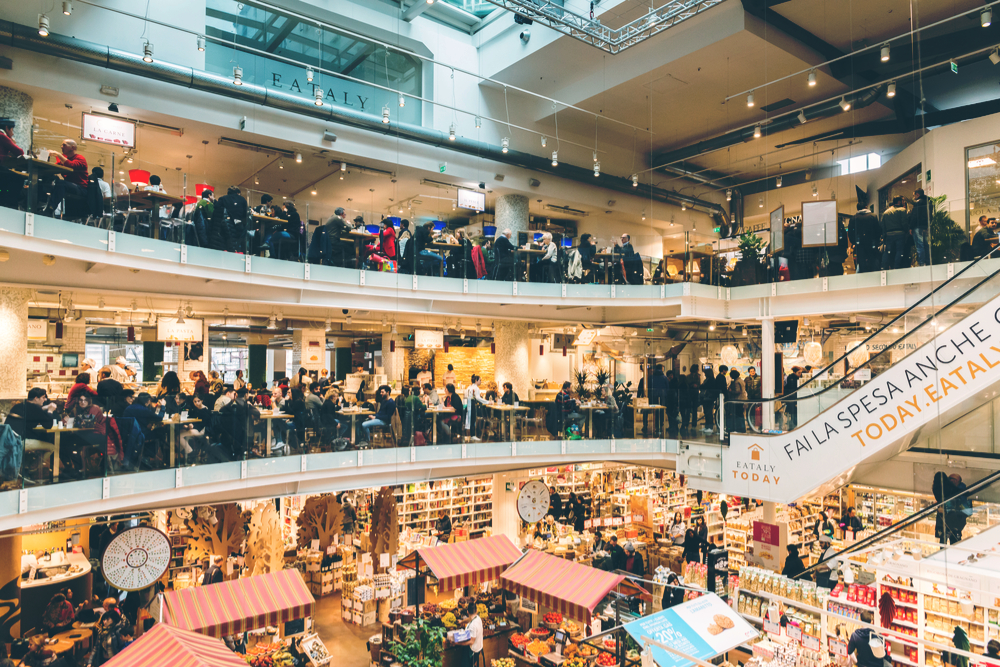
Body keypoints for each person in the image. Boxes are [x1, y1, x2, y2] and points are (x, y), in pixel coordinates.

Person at [43, 138, 89, 217]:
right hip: (70, 186)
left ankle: (50, 209)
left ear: (73, 148)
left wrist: (58, 154)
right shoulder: (63, 159)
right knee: (49, 178)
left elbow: (71, 165)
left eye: (64, 145)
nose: (61, 147)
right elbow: (54, 168)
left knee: (61, 183)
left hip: (81, 188)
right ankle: (40, 203)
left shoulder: (80, 158)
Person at [849, 202, 883, 273]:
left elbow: (850, 233)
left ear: (857, 208)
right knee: (873, 260)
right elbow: (878, 230)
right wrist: (877, 241)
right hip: (871, 243)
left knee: (862, 262)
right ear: (866, 207)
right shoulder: (873, 216)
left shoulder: (853, 218)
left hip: (859, 244)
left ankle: (863, 278)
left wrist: (854, 242)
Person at [0, 118, 25, 209]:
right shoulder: (2, 136)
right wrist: (12, 142)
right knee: (18, 179)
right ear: (7, 128)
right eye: (12, 130)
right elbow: (19, 152)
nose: (13, 133)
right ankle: (10, 205)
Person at [880, 196, 910, 270]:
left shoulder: (886, 212)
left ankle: (885, 266)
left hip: (889, 234)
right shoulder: (902, 210)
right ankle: (896, 267)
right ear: (899, 202)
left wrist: (884, 235)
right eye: (902, 201)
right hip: (900, 233)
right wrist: (907, 231)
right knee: (899, 251)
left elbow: (882, 225)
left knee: (887, 251)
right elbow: (904, 223)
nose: (903, 203)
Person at [453, 598, 484, 667]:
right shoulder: (478, 618)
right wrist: (461, 621)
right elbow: (470, 619)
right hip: (478, 648)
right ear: (476, 611)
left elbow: (471, 642)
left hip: (472, 651)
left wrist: (458, 643)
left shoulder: (473, 626)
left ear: (467, 612)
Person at [908, 188, 930, 266]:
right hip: (925, 226)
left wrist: (911, 227)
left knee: (919, 245)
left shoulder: (918, 203)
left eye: (914, 195)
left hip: (918, 226)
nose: (913, 197)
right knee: (926, 245)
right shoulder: (928, 202)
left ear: (918, 195)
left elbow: (914, 216)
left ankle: (921, 263)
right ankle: (927, 262)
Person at [727, 369, 747, 434]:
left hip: (738, 399)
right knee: (741, 414)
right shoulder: (741, 380)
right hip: (743, 399)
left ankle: (740, 428)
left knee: (739, 414)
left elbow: (738, 391)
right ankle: (742, 427)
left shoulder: (736, 382)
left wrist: (730, 391)